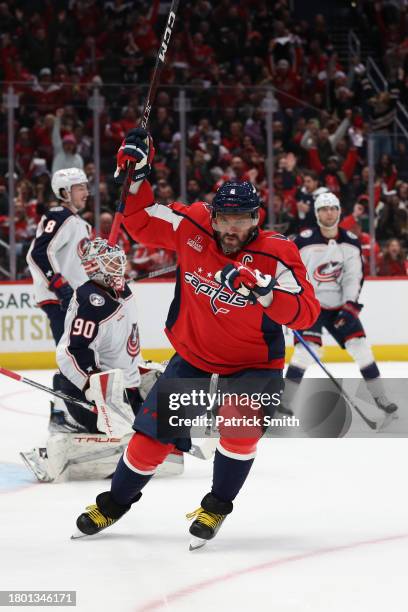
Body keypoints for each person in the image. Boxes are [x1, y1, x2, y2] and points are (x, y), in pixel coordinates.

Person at [72, 128, 320, 547]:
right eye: (225, 219)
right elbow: (141, 220)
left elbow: (306, 311)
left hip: (254, 365)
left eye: (242, 220)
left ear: (256, 218)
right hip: (194, 356)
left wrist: (264, 292)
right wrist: (136, 176)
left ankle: (216, 507)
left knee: (237, 431)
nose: (231, 228)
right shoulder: (193, 225)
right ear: (214, 215)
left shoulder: (277, 253)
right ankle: (114, 503)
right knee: (151, 439)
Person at [21, 237, 182, 482]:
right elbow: (73, 352)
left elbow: (123, 345)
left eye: (117, 257)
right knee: (131, 436)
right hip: (92, 390)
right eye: (110, 259)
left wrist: (139, 369)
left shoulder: (120, 289)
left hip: (127, 386)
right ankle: (68, 421)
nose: (119, 262)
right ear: (95, 267)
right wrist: (92, 387)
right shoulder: (90, 302)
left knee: (171, 419)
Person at [283, 191, 398, 417]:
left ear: (339, 211)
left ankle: (381, 398)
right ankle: (284, 402)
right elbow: (291, 275)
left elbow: (353, 277)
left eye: (333, 208)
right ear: (317, 213)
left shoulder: (351, 242)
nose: (329, 213)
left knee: (361, 349)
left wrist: (349, 306)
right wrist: (294, 306)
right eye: (324, 209)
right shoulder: (304, 241)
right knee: (305, 353)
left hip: (339, 307)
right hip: (312, 307)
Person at [26, 167, 91, 430]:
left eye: (86, 186)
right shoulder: (59, 215)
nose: (86, 192)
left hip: (75, 301)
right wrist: (59, 286)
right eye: (80, 188)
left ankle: (71, 412)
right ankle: (59, 414)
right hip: (61, 301)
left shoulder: (80, 224)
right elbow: (38, 254)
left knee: (79, 357)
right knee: (70, 356)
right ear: (64, 192)